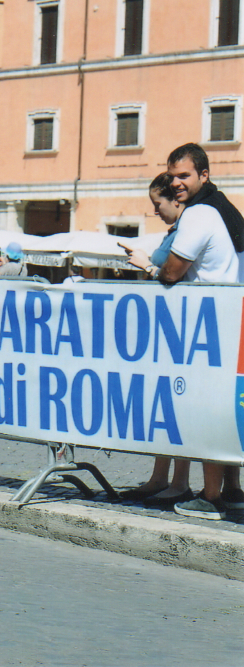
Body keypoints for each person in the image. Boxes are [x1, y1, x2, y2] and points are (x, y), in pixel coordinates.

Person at [153, 143, 244, 520]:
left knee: (207, 409)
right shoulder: (220, 208)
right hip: (228, 321)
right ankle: (233, 491)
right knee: (223, 407)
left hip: (212, 326)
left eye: (184, 176)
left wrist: (152, 271)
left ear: (203, 176)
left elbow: (171, 271)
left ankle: (210, 497)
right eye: (172, 176)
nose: (175, 183)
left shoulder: (200, 213)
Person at [117, 172, 193, 509]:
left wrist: (144, 262)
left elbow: (168, 273)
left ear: (174, 199)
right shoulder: (176, 232)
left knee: (177, 405)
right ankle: (161, 476)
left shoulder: (185, 233)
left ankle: (177, 481)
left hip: (179, 328)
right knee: (164, 405)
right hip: (169, 326)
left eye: (157, 204)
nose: (155, 211)